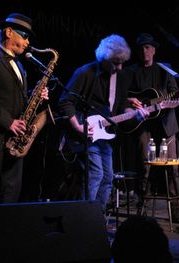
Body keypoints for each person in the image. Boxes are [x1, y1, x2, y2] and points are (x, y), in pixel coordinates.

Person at [58, 34, 148, 212]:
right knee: (96, 174)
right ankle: (83, 219)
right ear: (104, 58)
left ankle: (97, 219)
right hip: (84, 133)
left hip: (104, 137)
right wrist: (78, 126)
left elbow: (122, 108)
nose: (120, 67)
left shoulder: (121, 77)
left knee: (108, 177)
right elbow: (65, 101)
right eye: (115, 62)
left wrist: (135, 114)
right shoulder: (85, 72)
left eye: (122, 62)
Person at [0, 13, 49, 204]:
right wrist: (9, 122)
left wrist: (37, 96)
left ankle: (6, 233)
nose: (27, 41)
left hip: (16, 140)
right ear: (9, 32)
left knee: (11, 192)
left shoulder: (21, 66)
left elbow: (17, 99)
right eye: (24, 36)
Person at [123, 33, 179, 223]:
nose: (145, 51)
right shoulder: (130, 71)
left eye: (148, 47)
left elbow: (178, 99)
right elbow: (119, 95)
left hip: (167, 125)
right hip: (144, 126)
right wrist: (130, 100)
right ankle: (142, 206)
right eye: (142, 48)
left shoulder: (165, 70)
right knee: (145, 166)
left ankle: (175, 210)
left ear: (154, 49)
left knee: (172, 169)